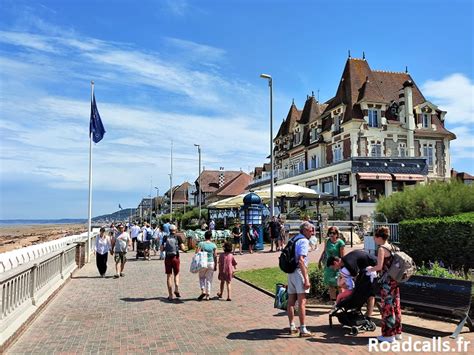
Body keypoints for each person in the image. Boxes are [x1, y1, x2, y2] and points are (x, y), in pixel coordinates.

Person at [366, 226, 402, 343]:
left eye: (375, 237)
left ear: (379, 237)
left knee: (387, 307)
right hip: (395, 280)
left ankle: (388, 335)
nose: (374, 239)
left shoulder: (382, 249)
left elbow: (379, 267)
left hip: (386, 283)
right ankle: (397, 332)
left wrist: (370, 269)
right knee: (396, 306)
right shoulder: (392, 247)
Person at [326, 249, 377, 317]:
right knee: (364, 292)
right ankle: (360, 311)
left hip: (373, 266)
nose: (334, 269)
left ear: (335, 263)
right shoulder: (345, 261)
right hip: (367, 269)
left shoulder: (349, 264)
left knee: (370, 294)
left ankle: (368, 316)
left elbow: (355, 279)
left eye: (333, 267)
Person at [287, 221, 313, 337]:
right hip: (299, 272)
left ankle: (292, 326)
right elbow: (301, 260)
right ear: (305, 230)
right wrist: (306, 279)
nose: (312, 232)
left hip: (291, 272)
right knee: (302, 302)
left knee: (291, 301)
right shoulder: (304, 241)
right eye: (311, 230)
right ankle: (303, 329)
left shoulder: (294, 239)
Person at [318, 226, 345, 301]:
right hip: (328, 265)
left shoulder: (340, 243)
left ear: (337, 234)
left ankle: (341, 302)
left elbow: (342, 256)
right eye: (330, 233)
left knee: (339, 285)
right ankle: (333, 302)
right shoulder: (327, 241)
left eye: (333, 233)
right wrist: (320, 261)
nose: (331, 235)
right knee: (330, 284)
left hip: (337, 265)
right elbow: (324, 251)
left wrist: (342, 267)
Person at [161, 224, 185, 301]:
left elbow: (161, 249)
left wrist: (165, 249)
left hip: (168, 258)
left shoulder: (165, 237)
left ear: (169, 230)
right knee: (176, 274)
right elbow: (183, 248)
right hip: (176, 257)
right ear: (176, 229)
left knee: (169, 276)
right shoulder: (178, 237)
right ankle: (176, 288)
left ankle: (170, 295)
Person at [196, 231, 217, 301]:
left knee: (201, 277)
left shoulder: (201, 244)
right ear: (211, 237)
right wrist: (216, 265)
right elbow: (215, 255)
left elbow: (197, 253)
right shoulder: (213, 245)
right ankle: (208, 295)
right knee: (209, 279)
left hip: (203, 263)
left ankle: (203, 290)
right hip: (211, 262)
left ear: (204, 236)